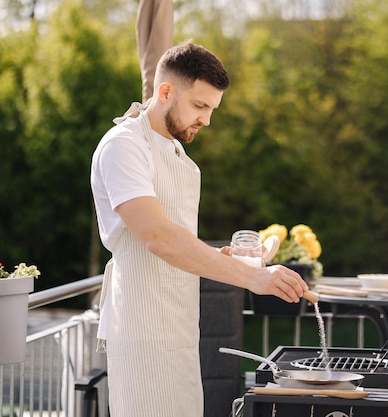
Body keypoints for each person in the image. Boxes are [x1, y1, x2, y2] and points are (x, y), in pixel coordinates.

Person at [90, 40, 309, 417]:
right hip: (142, 334)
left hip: (181, 331)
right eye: (200, 106)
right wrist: (251, 278)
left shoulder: (180, 157)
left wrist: (223, 256)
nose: (206, 120)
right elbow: (157, 238)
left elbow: (178, 241)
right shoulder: (124, 146)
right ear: (165, 91)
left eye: (212, 109)